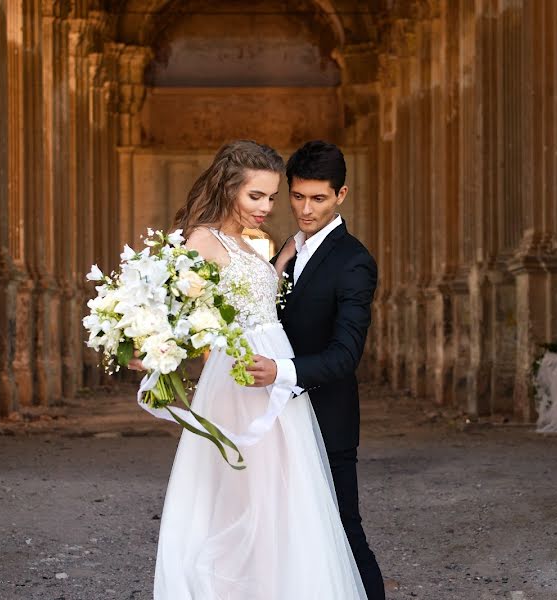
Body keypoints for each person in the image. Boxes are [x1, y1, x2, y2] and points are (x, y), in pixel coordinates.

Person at [134, 140, 367, 599]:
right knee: (241, 499)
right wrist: (156, 348)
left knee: (284, 500)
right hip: (241, 382)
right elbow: (179, 311)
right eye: (255, 196)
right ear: (228, 189)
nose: (267, 207)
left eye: (273, 197)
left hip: (275, 380)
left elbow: (251, 302)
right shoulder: (201, 240)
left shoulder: (246, 242)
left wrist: (276, 267)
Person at [246, 140, 386, 600]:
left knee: (344, 533)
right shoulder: (288, 249)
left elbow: (345, 357)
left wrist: (281, 371)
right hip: (279, 423)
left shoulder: (354, 262)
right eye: (298, 197)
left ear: (341, 195)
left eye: (319, 198)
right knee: (285, 536)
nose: (306, 209)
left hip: (327, 419)